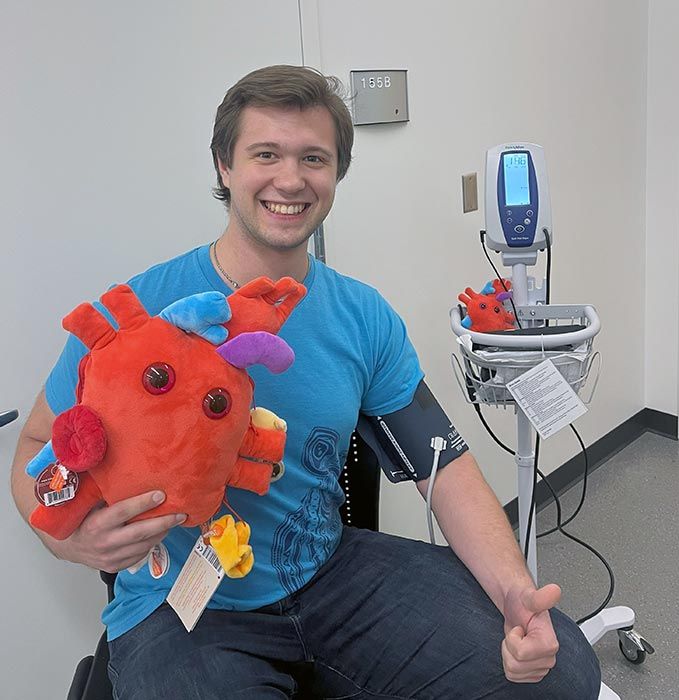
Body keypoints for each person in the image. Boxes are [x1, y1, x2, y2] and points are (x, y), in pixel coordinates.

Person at [11, 65, 601, 699]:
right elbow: (34, 446)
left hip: (328, 574)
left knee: (563, 673)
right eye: (265, 154)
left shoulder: (362, 315)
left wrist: (513, 591)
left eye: (313, 158)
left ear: (336, 175)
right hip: (182, 608)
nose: (290, 180)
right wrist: (70, 543)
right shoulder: (131, 315)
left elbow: (445, 464)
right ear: (224, 166)